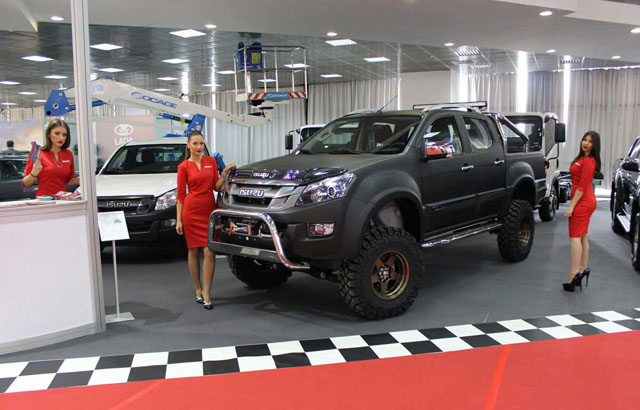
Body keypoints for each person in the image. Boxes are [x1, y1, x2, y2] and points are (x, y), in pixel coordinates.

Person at [176, 130, 235, 310]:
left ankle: (207, 292)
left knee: (210, 251)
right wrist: (179, 220)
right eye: (195, 143)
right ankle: (198, 288)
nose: (199, 147)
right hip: (190, 212)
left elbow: (216, 186)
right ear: (188, 145)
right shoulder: (183, 167)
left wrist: (224, 173)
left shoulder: (211, 162)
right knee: (193, 251)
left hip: (209, 211)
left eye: (201, 143)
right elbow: (180, 196)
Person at [563, 130, 601, 292]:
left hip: (583, 202)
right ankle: (582, 269)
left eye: (590, 141)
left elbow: (582, 186)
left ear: (595, 145)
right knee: (583, 235)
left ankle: (573, 276)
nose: (586, 143)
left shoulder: (589, 161)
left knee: (575, 237)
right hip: (585, 200)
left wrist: (571, 206)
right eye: (584, 139)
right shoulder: (582, 159)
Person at [22, 119, 80, 196]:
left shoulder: (68, 154)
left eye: (64, 135)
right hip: (44, 200)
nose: (61, 138)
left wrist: (76, 181)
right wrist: (34, 173)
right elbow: (25, 184)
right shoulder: (38, 154)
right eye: (57, 133)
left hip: (62, 200)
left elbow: (69, 180)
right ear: (49, 134)